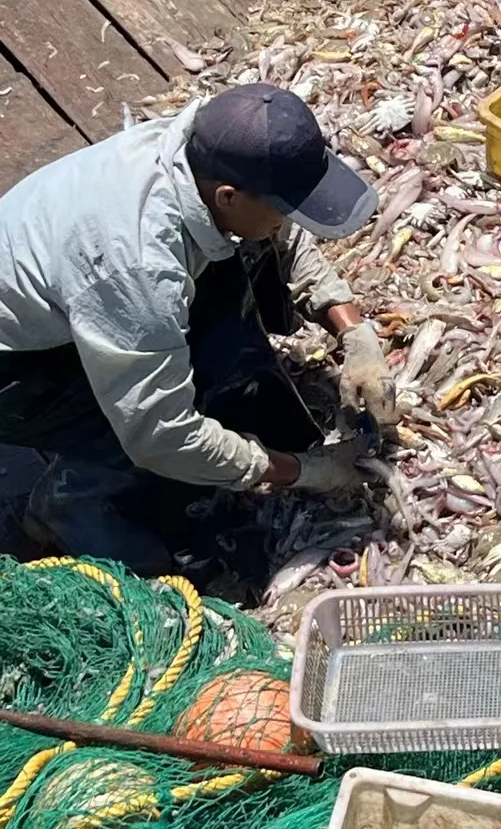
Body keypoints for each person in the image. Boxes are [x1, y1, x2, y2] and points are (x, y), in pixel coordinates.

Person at [0, 83, 400, 576]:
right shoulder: (139, 267)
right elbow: (160, 434)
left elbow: (285, 233)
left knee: (247, 254)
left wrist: (355, 334)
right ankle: (66, 503)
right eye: (282, 207)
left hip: (82, 296)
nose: (289, 220)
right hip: (16, 365)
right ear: (228, 197)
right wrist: (303, 471)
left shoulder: (203, 148)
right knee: (134, 439)